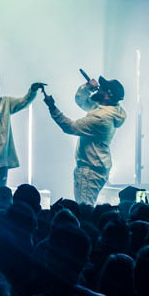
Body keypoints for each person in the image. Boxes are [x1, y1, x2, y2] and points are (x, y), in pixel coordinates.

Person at [42, 76, 126, 206]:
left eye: (102, 88)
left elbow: (70, 127)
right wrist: (86, 88)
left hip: (89, 171)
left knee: (84, 210)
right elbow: (81, 101)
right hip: (96, 166)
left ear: (108, 96)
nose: (99, 88)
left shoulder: (101, 117)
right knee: (86, 207)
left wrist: (52, 107)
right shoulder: (111, 109)